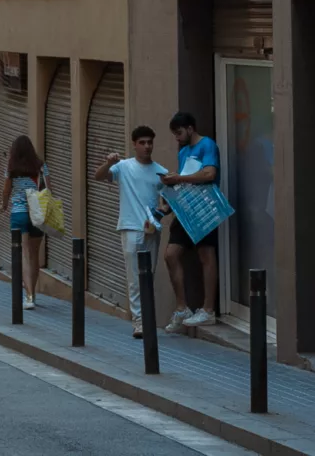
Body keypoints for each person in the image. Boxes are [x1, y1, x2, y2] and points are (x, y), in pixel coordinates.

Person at [93, 125, 172, 338]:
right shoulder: (124, 166)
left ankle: (146, 318)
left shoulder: (161, 172)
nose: (147, 146)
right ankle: (139, 321)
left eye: (150, 142)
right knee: (134, 277)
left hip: (151, 230)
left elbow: (167, 204)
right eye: (142, 143)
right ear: (134, 145)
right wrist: (108, 163)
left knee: (148, 276)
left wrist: (161, 212)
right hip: (129, 227)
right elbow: (98, 176)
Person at [161, 110, 220, 330]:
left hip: (204, 207)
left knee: (206, 254)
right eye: (174, 134)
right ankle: (182, 307)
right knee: (171, 254)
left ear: (190, 129)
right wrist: (170, 199)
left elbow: (209, 174)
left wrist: (179, 178)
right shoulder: (184, 151)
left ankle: (208, 309)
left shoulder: (207, 145)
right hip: (185, 208)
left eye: (179, 133)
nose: (177, 138)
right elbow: (184, 180)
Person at [1, 135, 48, 309]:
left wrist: (4, 205)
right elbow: (48, 189)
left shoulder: (12, 168)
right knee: (34, 255)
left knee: (25, 254)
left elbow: (6, 190)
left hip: (19, 213)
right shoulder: (40, 166)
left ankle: (28, 297)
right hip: (37, 214)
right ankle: (32, 293)